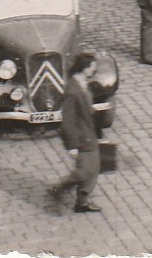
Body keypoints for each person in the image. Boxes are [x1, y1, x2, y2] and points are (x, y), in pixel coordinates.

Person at [47, 53, 103, 214]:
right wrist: (72, 145)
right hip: (81, 137)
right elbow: (68, 121)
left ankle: (82, 200)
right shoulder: (72, 90)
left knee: (94, 167)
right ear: (84, 68)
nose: (94, 70)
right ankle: (60, 189)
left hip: (89, 133)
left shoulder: (82, 83)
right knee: (85, 171)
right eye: (92, 67)